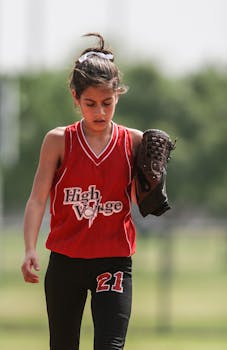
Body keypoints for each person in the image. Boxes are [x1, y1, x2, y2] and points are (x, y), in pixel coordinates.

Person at [21, 32, 143, 350]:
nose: (99, 111)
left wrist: (153, 186)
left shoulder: (134, 141)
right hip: (66, 261)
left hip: (114, 261)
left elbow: (142, 202)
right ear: (76, 98)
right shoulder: (59, 140)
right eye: (90, 103)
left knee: (110, 346)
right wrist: (30, 248)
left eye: (107, 102)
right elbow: (37, 199)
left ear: (118, 95)